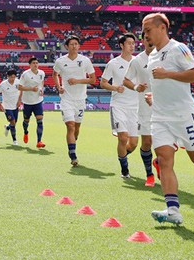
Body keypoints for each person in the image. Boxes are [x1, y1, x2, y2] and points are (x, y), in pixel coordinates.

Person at [142, 13, 194, 225]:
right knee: (164, 159)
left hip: (183, 115)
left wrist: (168, 74)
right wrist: (155, 97)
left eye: (148, 30)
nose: (145, 35)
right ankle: (173, 210)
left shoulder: (179, 49)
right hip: (160, 116)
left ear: (162, 28)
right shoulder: (152, 55)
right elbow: (161, 83)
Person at [100, 33, 140, 180]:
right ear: (122, 45)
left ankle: (121, 156)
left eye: (133, 43)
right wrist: (115, 87)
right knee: (123, 138)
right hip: (119, 106)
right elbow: (103, 83)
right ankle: (124, 170)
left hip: (135, 108)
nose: (132, 46)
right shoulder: (113, 63)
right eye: (129, 43)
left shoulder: (139, 61)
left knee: (134, 143)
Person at [53, 36, 96, 166]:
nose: (74, 46)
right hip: (66, 99)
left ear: (79, 46)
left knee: (76, 128)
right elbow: (55, 74)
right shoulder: (60, 61)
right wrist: (59, 86)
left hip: (80, 100)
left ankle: (73, 143)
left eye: (76, 44)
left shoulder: (85, 61)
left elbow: (93, 80)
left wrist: (77, 81)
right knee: (70, 125)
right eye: (71, 44)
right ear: (67, 46)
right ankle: (73, 155)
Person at [122, 36, 157, 187]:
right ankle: (149, 174)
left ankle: (159, 162)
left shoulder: (165, 57)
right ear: (143, 41)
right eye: (147, 38)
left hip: (164, 106)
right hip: (144, 108)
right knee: (147, 142)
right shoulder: (137, 61)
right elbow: (126, 80)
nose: (151, 40)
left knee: (166, 144)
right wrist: (137, 87)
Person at [17, 57, 46, 148]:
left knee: (40, 121)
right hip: (27, 102)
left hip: (38, 101)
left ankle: (39, 141)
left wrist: (41, 89)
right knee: (26, 121)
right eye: (33, 63)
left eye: (37, 63)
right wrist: (31, 89)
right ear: (30, 65)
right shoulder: (25, 74)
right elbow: (19, 87)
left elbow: (42, 82)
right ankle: (26, 132)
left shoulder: (42, 73)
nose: (35, 64)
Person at [0, 69, 21, 146]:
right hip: (7, 107)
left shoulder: (18, 82)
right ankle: (15, 140)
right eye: (11, 77)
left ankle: (8, 127)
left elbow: (22, 90)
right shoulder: (3, 84)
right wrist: (0, 104)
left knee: (14, 123)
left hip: (15, 106)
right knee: (12, 122)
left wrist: (19, 100)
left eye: (14, 77)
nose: (12, 79)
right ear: (8, 77)